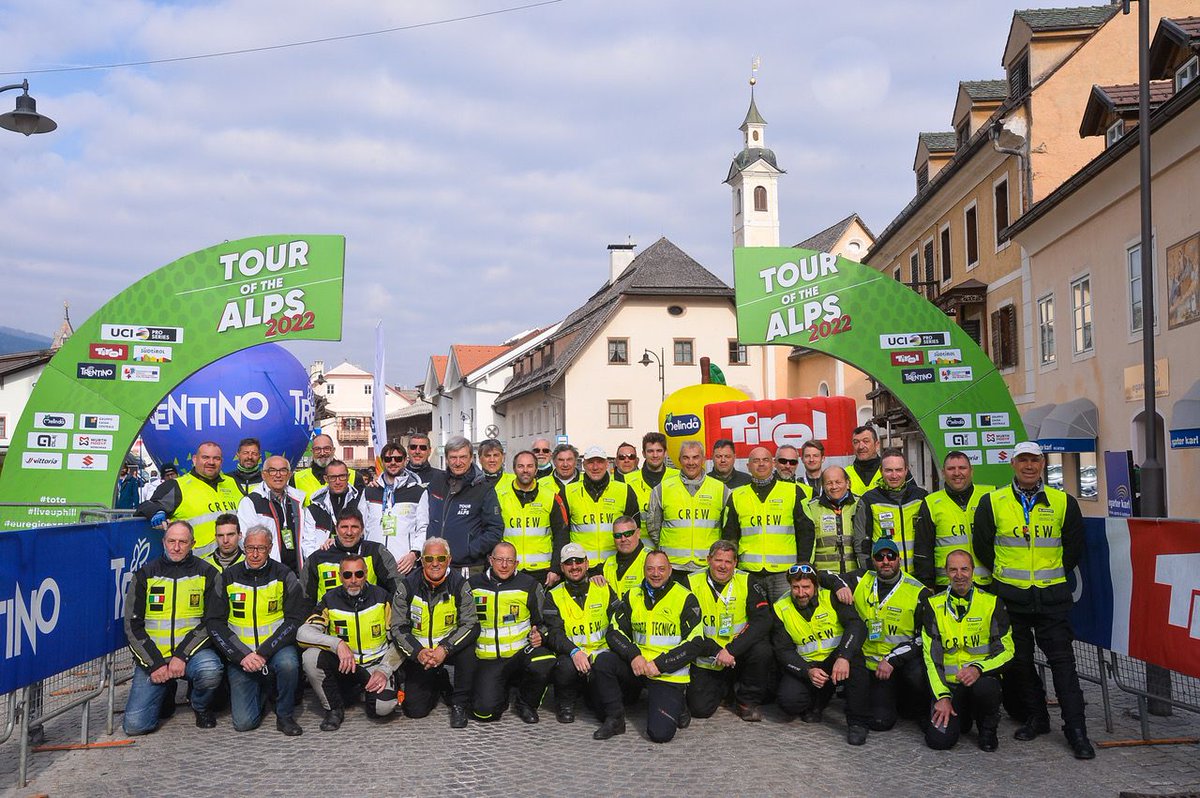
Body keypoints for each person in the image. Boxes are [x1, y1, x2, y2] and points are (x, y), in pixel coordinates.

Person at [973, 441, 1094, 759]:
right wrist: (1006, 575)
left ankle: (1076, 731)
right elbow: (983, 545)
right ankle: (1037, 718)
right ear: (1013, 464)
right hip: (1011, 598)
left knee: (1064, 666)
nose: (1029, 466)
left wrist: (1047, 573)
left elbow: (1073, 548)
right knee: (1021, 665)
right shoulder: (993, 502)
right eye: (1023, 460)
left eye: (1035, 460)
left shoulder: (1063, 502)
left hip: (1052, 598)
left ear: (1042, 464)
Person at [205, 525, 309, 735]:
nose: (254, 554)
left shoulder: (284, 574)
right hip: (241, 654)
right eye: (250, 548)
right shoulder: (227, 576)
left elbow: (295, 619)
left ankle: (285, 715)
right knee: (244, 724)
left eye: (260, 548)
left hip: (275, 648)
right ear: (244, 547)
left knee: (289, 664)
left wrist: (264, 652)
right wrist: (242, 655)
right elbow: (214, 622)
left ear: (270, 548)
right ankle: (265, 689)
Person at [591, 550, 705, 742]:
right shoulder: (632, 595)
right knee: (603, 660)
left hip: (667, 672)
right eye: (650, 568)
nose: (656, 573)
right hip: (638, 666)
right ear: (644, 571)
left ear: (670, 570)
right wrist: (633, 655)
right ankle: (615, 719)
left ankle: (679, 704)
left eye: (661, 568)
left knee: (660, 734)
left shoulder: (685, 598)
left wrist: (661, 664)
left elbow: (695, 643)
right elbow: (614, 631)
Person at [123, 520, 223, 734]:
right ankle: (165, 691)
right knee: (134, 726)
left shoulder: (208, 573)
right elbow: (132, 626)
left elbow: (212, 622)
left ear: (192, 543)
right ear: (164, 542)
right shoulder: (145, 574)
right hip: (155, 657)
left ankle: (200, 705)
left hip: (192, 655)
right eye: (171, 541)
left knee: (210, 670)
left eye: (182, 542)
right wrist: (155, 664)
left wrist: (182, 655)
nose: (176, 547)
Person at [922, 549, 1014, 752]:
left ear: (973, 571)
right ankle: (960, 718)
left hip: (980, 681)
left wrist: (978, 668)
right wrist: (942, 696)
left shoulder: (991, 603)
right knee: (938, 742)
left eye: (964, 569)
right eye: (953, 569)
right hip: (950, 686)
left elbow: (1007, 651)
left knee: (987, 687)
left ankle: (987, 728)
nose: (959, 575)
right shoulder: (932, 605)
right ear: (946, 572)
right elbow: (931, 658)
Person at [298, 553, 403, 730]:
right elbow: (303, 633)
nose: (353, 580)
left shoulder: (382, 597)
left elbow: (400, 640)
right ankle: (333, 709)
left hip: (375, 665)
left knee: (383, 708)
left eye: (359, 574)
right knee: (310, 656)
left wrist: (385, 670)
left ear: (366, 573)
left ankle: (366, 692)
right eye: (347, 575)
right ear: (340, 576)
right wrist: (337, 644)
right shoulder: (329, 600)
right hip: (346, 665)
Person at [771, 562, 871, 745]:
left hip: (837, 657)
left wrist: (844, 656)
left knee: (856, 662)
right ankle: (819, 699)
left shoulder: (831, 596)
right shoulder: (780, 608)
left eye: (806, 587)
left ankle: (857, 722)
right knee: (789, 701)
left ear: (815, 585)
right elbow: (783, 650)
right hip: (809, 665)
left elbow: (856, 626)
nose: (801, 593)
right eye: (796, 587)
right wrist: (805, 671)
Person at [391, 538, 479, 727]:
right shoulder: (406, 586)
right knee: (415, 710)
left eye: (440, 558)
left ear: (449, 559)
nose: (435, 563)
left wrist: (445, 648)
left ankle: (459, 704)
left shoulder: (460, 584)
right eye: (429, 559)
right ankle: (438, 680)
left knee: (469, 652)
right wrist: (418, 653)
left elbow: (471, 624)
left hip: (449, 647)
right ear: (421, 561)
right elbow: (398, 627)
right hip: (421, 651)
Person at [468, 541, 558, 723]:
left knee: (544, 660)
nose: (504, 565)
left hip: (520, 653)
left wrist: (540, 634)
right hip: (488, 658)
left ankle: (525, 703)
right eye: (499, 559)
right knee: (484, 713)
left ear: (516, 563)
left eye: (509, 560)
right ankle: (501, 693)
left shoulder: (530, 585)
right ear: (490, 560)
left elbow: (544, 623)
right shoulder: (473, 585)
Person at [849, 538, 932, 731]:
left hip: (901, 662)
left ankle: (920, 708)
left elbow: (923, 638)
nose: (885, 561)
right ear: (873, 561)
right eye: (879, 557)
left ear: (899, 559)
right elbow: (826, 576)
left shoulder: (918, 592)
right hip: (874, 665)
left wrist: (893, 659)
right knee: (881, 722)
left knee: (917, 675)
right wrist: (840, 587)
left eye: (891, 556)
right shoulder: (863, 580)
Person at [686, 540, 772, 721]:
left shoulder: (747, 580)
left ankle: (746, 702)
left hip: (737, 653)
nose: (723, 566)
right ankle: (724, 689)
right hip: (707, 656)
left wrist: (732, 649)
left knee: (762, 650)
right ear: (708, 560)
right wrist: (717, 651)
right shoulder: (690, 582)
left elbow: (763, 620)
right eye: (718, 560)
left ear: (735, 563)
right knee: (699, 710)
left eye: (728, 562)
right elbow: (686, 627)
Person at [722, 446, 809, 602]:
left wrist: (803, 568)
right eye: (755, 461)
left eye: (765, 460)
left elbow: (806, 533)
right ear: (748, 466)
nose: (761, 464)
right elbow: (729, 537)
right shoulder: (737, 495)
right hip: (749, 573)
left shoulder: (793, 492)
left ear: (773, 463)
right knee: (756, 619)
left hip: (785, 573)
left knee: (783, 619)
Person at [545, 542, 620, 723]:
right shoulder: (553, 595)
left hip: (601, 655)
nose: (574, 567)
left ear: (587, 563)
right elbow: (555, 634)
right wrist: (574, 652)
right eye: (569, 563)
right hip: (572, 655)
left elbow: (618, 623)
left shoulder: (603, 588)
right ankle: (565, 702)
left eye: (578, 561)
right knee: (564, 666)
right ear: (562, 568)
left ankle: (590, 692)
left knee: (602, 712)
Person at [138, 441, 241, 560]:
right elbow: (147, 505)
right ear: (194, 459)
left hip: (235, 565)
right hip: (197, 568)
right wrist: (156, 512)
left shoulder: (232, 483)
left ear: (221, 462)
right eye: (205, 457)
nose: (211, 462)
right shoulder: (177, 485)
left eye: (216, 458)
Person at [645, 440, 731, 582]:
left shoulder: (721, 489)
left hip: (706, 566)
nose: (691, 462)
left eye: (695, 457)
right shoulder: (663, 488)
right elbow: (653, 526)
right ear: (679, 460)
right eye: (686, 458)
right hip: (672, 566)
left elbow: (728, 528)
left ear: (703, 459)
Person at [914, 451, 995, 588]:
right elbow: (923, 549)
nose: (957, 473)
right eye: (951, 469)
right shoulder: (931, 503)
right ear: (943, 472)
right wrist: (927, 585)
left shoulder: (990, 496)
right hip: (947, 584)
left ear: (971, 471)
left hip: (987, 583)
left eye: (962, 468)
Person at [425, 436, 503, 570]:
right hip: (435, 564)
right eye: (453, 457)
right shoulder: (437, 481)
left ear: (471, 458)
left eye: (463, 457)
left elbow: (495, 529)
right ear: (447, 459)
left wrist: (469, 550)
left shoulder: (483, 488)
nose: (458, 462)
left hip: (468, 566)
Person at [496, 449, 570, 585]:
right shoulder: (500, 496)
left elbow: (562, 534)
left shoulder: (550, 496)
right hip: (509, 570)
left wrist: (555, 569)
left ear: (536, 470)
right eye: (521, 466)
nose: (525, 470)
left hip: (543, 573)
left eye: (530, 466)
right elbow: (492, 533)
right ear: (514, 469)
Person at [562, 445, 640, 573]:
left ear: (607, 464)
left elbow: (635, 532)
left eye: (599, 462)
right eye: (591, 462)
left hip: (616, 566)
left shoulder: (624, 490)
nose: (595, 467)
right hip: (581, 568)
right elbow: (562, 534)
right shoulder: (568, 492)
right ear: (583, 465)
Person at [237, 455, 319, 574]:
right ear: (263, 475)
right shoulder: (251, 502)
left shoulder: (298, 500)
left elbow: (307, 537)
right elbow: (245, 540)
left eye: (283, 470)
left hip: (297, 571)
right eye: (272, 471)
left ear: (289, 474)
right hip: (268, 573)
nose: (278, 475)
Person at [854, 449, 928, 574]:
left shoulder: (921, 497)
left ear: (906, 470)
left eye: (898, 470)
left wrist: (927, 576)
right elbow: (861, 544)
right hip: (884, 576)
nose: (894, 475)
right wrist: (870, 574)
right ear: (881, 471)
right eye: (889, 470)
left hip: (917, 576)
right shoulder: (869, 500)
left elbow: (929, 540)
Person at [301, 508, 400, 601]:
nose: (349, 532)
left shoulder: (376, 552)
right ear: (336, 529)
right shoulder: (318, 558)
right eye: (344, 527)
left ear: (362, 529)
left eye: (354, 527)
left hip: (368, 615)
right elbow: (305, 600)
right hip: (330, 617)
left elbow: (397, 588)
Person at [361, 442, 428, 576]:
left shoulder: (418, 492)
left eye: (398, 459)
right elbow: (360, 525)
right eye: (388, 459)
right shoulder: (369, 491)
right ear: (382, 462)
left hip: (403, 565)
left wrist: (414, 554)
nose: (393, 462)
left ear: (405, 461)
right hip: (372, 564)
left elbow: (423, 528)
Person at [797, 466, 859, 576]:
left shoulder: (860, 504)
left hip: (855, 575)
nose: (834, 486)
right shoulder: (811, 507)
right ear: (823, 486)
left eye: (838, 482)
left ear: (847, 483)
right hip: (823, 577)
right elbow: (806, 545)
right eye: (829, 483)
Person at [619, 432, 678, 534]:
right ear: (643, 454)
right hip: (640, 546)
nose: (655, 455)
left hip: (669, 544)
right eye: (650, 451)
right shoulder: (627, 480)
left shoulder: (677, 477)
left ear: (666, 453)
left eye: (659, 451)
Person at [308, 459, 363, 536]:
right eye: (333, 477)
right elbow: (308, 542)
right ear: (326, 479)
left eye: (342, 476)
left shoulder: (361, 502)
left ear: (348, 477)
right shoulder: (314, 507)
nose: (338, 482)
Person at [598, 515, 649, 598]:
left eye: (628, 534)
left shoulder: (650, 559)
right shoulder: (607, 564)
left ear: (638, 533)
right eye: (618, 536)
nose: (623, 539)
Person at [292, 434, 340, 502]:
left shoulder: (353, 477)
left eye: (326, 448)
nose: (322, 453)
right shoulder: (296, 479)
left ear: (333, 450)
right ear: (312, 452)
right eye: (317, 449)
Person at [846, 425, 885, 497]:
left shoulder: (891, 471)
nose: (861, 446)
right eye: (856, 442)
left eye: (866, 441)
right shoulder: (844, 474)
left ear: (877, 445)